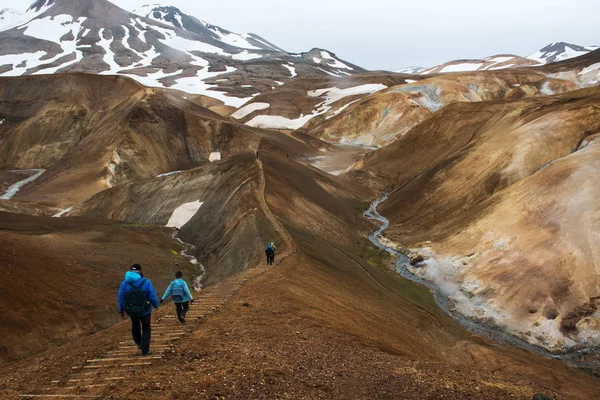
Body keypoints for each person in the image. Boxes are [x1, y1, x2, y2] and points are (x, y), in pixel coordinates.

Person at [117, 264, 159, 356]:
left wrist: (121, 310)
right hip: (145, 310)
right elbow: (151, 295)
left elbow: (121, 297)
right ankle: (145, 350)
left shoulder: (124, 284)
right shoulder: (146, 282)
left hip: (131, 310)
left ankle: (139, 343)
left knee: (135, 325)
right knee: (146, 328)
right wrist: (156, 305)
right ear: (140, 271)